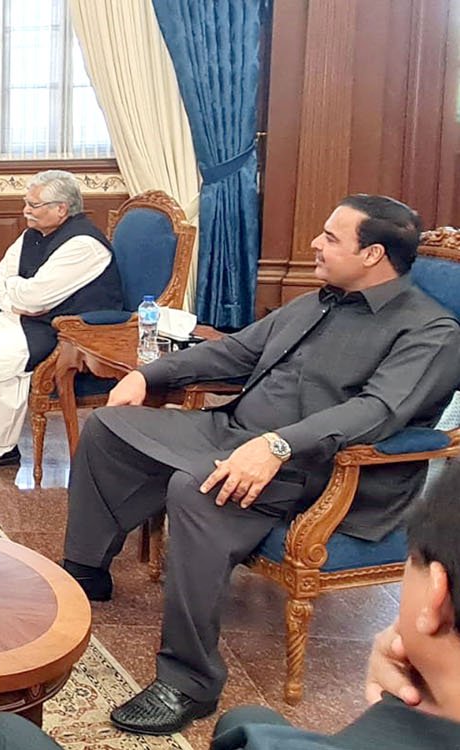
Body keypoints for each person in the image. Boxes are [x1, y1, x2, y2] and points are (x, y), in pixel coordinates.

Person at [61, 194, 460, 734]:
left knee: (197, 488)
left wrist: (277, 446)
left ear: (372, 255)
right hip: (234, 433)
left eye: (331, 238)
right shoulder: (318, 301)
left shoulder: (431, 331)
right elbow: (234, 352)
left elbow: (377, 411)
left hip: (319, 469)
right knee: (109, 427)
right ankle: (86, 570)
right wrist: (148, 375)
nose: (315, 244)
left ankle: (189, 681)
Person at [0, 460, 460, 749]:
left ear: (435, 593)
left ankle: (188, 680)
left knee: (3, 734)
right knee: (245, 722)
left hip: (306, 469)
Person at [0, 170, 122, 470]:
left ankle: (0, 448)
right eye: (26, 203)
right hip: (24, 317)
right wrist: (18, 298)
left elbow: (34, 298)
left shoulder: (84, 245)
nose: (25, 211)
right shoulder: (31, 235)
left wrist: (20, 295)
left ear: (61, 208)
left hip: (66, 329)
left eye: (33, 205)